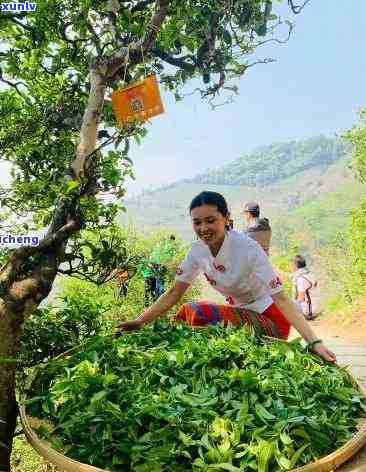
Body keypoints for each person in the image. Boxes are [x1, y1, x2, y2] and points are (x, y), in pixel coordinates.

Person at [116, 191, 336, 362]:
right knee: (185, 315)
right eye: (197, 222)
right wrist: (140, 321)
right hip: (242, 315)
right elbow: (174, 292)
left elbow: (282, 299)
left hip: (271, 321)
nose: (203, 228)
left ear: (226, 218)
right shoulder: (197, 251)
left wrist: (314, 342)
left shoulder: (248, 249)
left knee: (196, 311)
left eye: (210, 220)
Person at [292, 255, 320, 320]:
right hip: (317, 307)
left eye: (292, 264)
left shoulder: (301, 278)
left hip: (310, 311)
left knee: (283, 303)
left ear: (295, 265)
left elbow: (301, 298)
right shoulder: (309, 274)